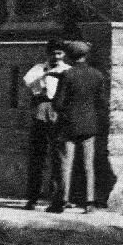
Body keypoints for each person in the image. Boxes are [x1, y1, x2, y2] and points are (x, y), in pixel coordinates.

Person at [49, 40, 107, 214]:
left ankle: (61, 201)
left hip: (69, 125)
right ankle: (89, 202)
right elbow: (101, 103)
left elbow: (58, 103)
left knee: (66, 163)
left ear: (70, 56)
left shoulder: (68, 75)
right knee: (88, 164)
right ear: (85, 55)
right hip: (90, 125)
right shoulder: (97, 75)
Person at [22, 38, 70, 210]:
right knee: (37, 156)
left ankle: (59, 198)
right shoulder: (39, 68)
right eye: (53, 53)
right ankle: (33, 197)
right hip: (42, 109)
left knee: (59, 157)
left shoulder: (67, 70)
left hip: (59, 112)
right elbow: (28, 82)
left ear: (64, 54)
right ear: (47, 54)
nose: (56, 56)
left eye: (59, 53)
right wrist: (46, 74)